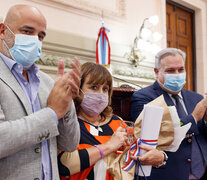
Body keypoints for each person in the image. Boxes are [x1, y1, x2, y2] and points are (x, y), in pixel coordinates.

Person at [0, 4, 80, 180]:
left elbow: (70, 145)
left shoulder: (47, 82)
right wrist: (51, 113)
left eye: (41, 36)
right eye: (27, 32)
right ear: (3, 31)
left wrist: (66, 104)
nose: (35, 40)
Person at [58, 62, 165, 180]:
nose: (100, 94)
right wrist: (109, 146)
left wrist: (161, 157)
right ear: (77, 89)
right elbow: (64, 165)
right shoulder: (68, 123)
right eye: (94, 87)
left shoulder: (117, 122)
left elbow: (137, 152)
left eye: (105, 89)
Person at [130, 48, 207, 180]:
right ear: (156, 71)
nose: (177, 74)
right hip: (169, 173)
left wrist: (205, 121)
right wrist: (194, 117)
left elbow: (202, 134)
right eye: (170, 70)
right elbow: (161, 134)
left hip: (201, 169)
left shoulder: (196, 98)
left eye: (181, 69)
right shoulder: (143, 97)